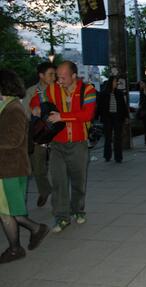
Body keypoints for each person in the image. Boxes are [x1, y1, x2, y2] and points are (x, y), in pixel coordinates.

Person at [30, 60, 97, 233]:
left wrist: (62, 117)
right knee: (58, 181)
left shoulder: (87, 90)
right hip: (57, 144)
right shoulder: (52, 89)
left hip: (78, 143)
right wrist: (36, 108)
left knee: (78, 181)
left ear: (74, 75)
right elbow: (36, 101)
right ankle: (61, 217)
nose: (59, 80)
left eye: (63, 77)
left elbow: (87, 115)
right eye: (58, 77)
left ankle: (78, 210)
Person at [0, 69, 49, 263]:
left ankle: (32, 233)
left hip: (10, 169)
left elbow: (13, 139)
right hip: (8, 168)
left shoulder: (13, 109)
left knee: (9, 211)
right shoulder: (7, 106)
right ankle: (16, 246)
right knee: (7, 211)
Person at [23, 62, 56, 207]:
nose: (53, 77)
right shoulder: (31, 91)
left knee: (58, 167)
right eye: (50, 74)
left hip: (56, 132)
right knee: (38, 167)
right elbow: (24, 113)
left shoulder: (58, 90)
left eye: (54, 74)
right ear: (41, 75)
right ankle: (45, 190)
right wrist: (33, 111)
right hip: (39, 135)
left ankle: (60, 198)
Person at [96, 76, 129, 162]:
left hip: (118, 117)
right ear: (110, 82)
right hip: (107, 118)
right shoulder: (103, 94)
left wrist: (126, 117)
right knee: (108, 137)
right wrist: (97, 117)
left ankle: (118, 157)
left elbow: (123, 106)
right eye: (115, 81)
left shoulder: (119, 93)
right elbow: (99, 107)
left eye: (117, 82)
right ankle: (107, 156)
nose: (116, 83)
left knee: (118, 137)